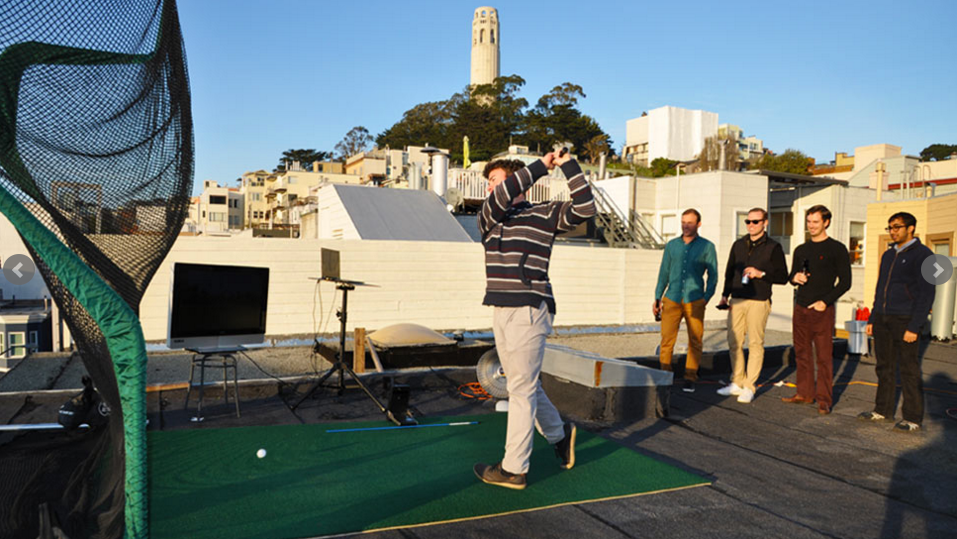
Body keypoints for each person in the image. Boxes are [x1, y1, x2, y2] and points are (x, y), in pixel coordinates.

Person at [473, 149, 595, 489]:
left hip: (530, 306)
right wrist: (541, 165)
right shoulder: (490, 216)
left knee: (521, 389)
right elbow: (499, 197)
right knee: (521, 383)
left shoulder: (546, 213)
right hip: (500, 307)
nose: (490, 189)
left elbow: (586, 209)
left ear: (516, 183)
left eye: (496, 181)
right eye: (489, 184)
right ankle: (559, 434)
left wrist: (566, 164)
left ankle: (514, 469)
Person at [859, 212, 935, 432]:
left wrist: (915, 326)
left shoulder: (924, 255)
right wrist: (873, 317)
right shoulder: (888, 255)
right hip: (883, 318)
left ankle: (912, 418)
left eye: (897, 227)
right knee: (884, 367)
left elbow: (927, 294)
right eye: (890, 227)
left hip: (906, 320)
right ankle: (882, 410)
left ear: (910, 228)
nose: (892, 231)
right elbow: (880, 288)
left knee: (909, 369)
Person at [782, 205, 851, 415]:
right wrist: (795, 277)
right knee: (801, 354)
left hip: (822, 311)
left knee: (823, 357)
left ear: (826, 222)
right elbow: (790, 275)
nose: (811, 226)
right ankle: (804, 394)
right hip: (801, 308)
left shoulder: (837, 249)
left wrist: (825, 301)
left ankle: (824, 400)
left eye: (815, 222)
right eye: (809, 222)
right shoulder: (801, 250)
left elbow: (845, 282)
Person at [716, 207, 788, 403]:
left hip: (759, 300)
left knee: (755, 343)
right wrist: (724, 295)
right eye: (748, 222)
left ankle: (750, 386)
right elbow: (729, 272)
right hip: (737, 298)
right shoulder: (738, 245)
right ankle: (737, 382)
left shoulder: (773, 247)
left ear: (765, 223)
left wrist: (761, 274)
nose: (750, 225)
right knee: (734, 341)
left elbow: (783, 277)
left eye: (755, 222)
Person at [653, 209, 718, 393]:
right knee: (667, 340)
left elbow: (713, 276)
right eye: (683, 222)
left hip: (694, 299)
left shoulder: (707, 246)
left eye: (690, 222)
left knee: (695, 340)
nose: (685, 226)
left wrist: (705, 298)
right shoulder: (672, 245)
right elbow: (663, 272)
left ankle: (690, 377)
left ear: (698, 224)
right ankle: (664, 376)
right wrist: (658, 297)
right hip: (672, 298)